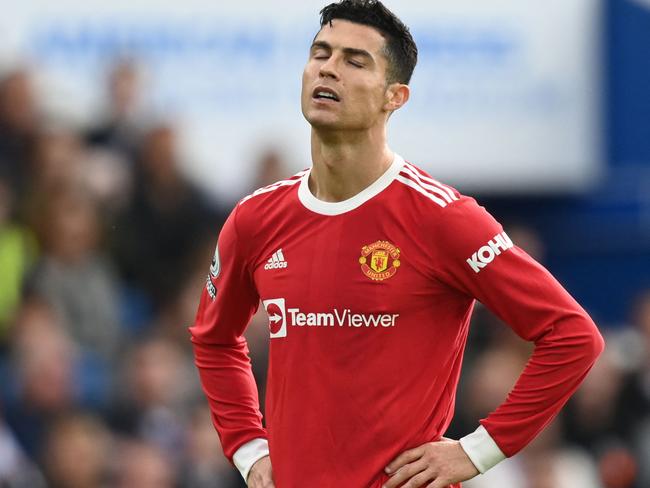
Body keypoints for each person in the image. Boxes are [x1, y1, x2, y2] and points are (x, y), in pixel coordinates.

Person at [189, 2, 604, 487]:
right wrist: (248, 448)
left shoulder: (442, 219)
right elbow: (214, 339)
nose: (328, 67)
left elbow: (572, 336)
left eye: (354, 60)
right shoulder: (255, 219)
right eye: (320, 53)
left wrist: (478, 451)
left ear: (395, 96)